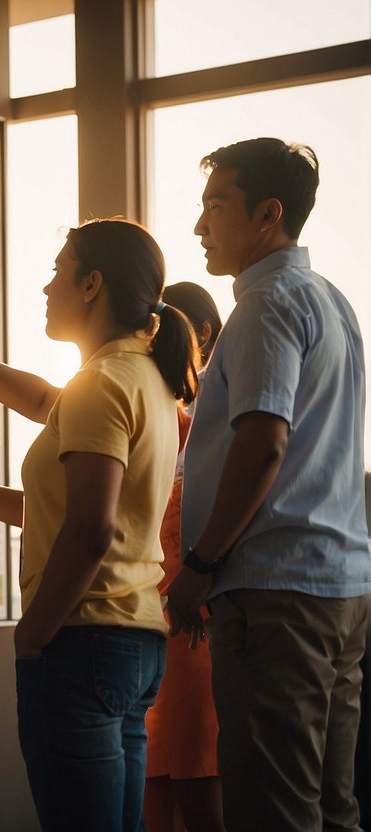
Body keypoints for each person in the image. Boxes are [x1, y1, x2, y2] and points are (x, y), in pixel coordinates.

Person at [0, 218, 198, 831]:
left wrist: (33, 632)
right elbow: (52, 455)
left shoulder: (100, 384)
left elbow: (89, 529)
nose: (46, 287)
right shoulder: (143, 379)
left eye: (58, 271)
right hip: (135, 643)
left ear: (92, 284)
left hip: (82, 640)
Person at [167, 138, 371, 832]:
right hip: (336, 586)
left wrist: (198, 563)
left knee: (270, 811)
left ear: (267, 215)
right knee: (331, 806)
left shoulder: (265, 304)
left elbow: (261, 445)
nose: (199, 226)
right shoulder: (332, 302)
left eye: (214, 207)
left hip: (274, 591)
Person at [144, 281, 225, 832]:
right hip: (148, 624)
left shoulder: (214, 425)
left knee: (197, 792)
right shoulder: (153, 413)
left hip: (192, 622)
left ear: (201, 336)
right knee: (150, 796)